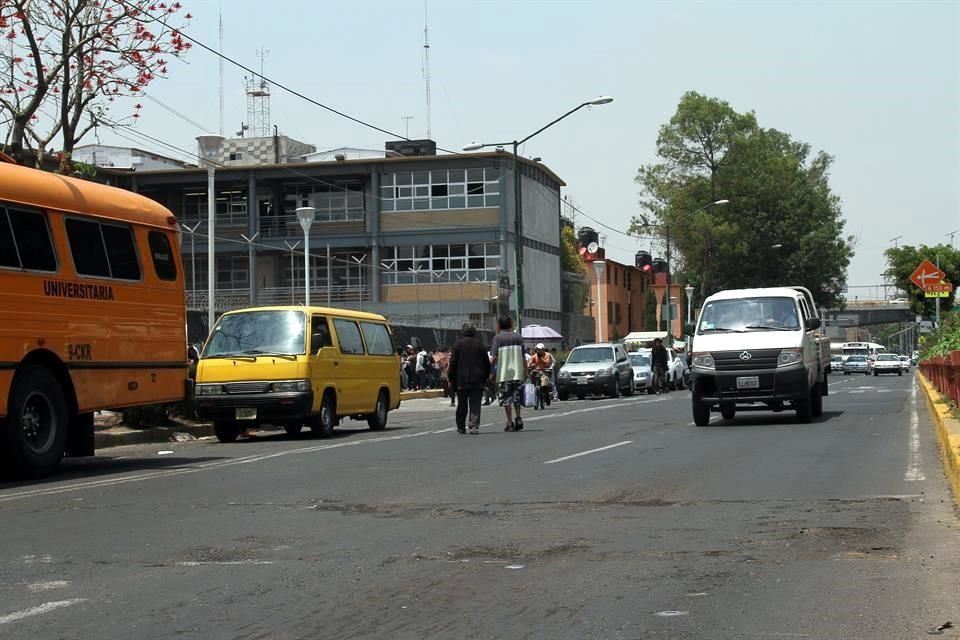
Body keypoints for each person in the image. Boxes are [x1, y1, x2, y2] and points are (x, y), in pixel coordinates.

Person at [448, 324, 491, 434]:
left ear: (463, 332)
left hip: (461, 380)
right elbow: (487, 364)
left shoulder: (457, 345)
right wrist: (486, 377)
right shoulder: (480, 345)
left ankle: (461, 426)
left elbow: (452, 363)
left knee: (462, 404)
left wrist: (451, 378)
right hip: (478, 379)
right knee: (475, 404)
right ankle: (474, 426)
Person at [489, 315, 527, 431]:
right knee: (516, 397)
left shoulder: (497, 338)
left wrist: (491, 371)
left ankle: (509, 422)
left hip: (504, 374)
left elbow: (494, 357)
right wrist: (526, 372)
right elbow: (523, 357)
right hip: (517, 373)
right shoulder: (518, 337)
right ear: (511, 324)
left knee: (506, 399)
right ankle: (519, 417)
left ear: (499, 325)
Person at [528, 343, 555, 408]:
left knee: (545, 384)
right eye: (537, 349)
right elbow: (529, 363)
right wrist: (531, 365)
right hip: (536, 371)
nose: (538, 351)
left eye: (540, 349)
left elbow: (547, 363)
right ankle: (535, 392)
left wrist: (541, 358)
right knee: (531, 377)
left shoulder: (547, 355)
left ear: (543, 349)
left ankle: (546, 396)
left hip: (544, 371)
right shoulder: (534, 356)